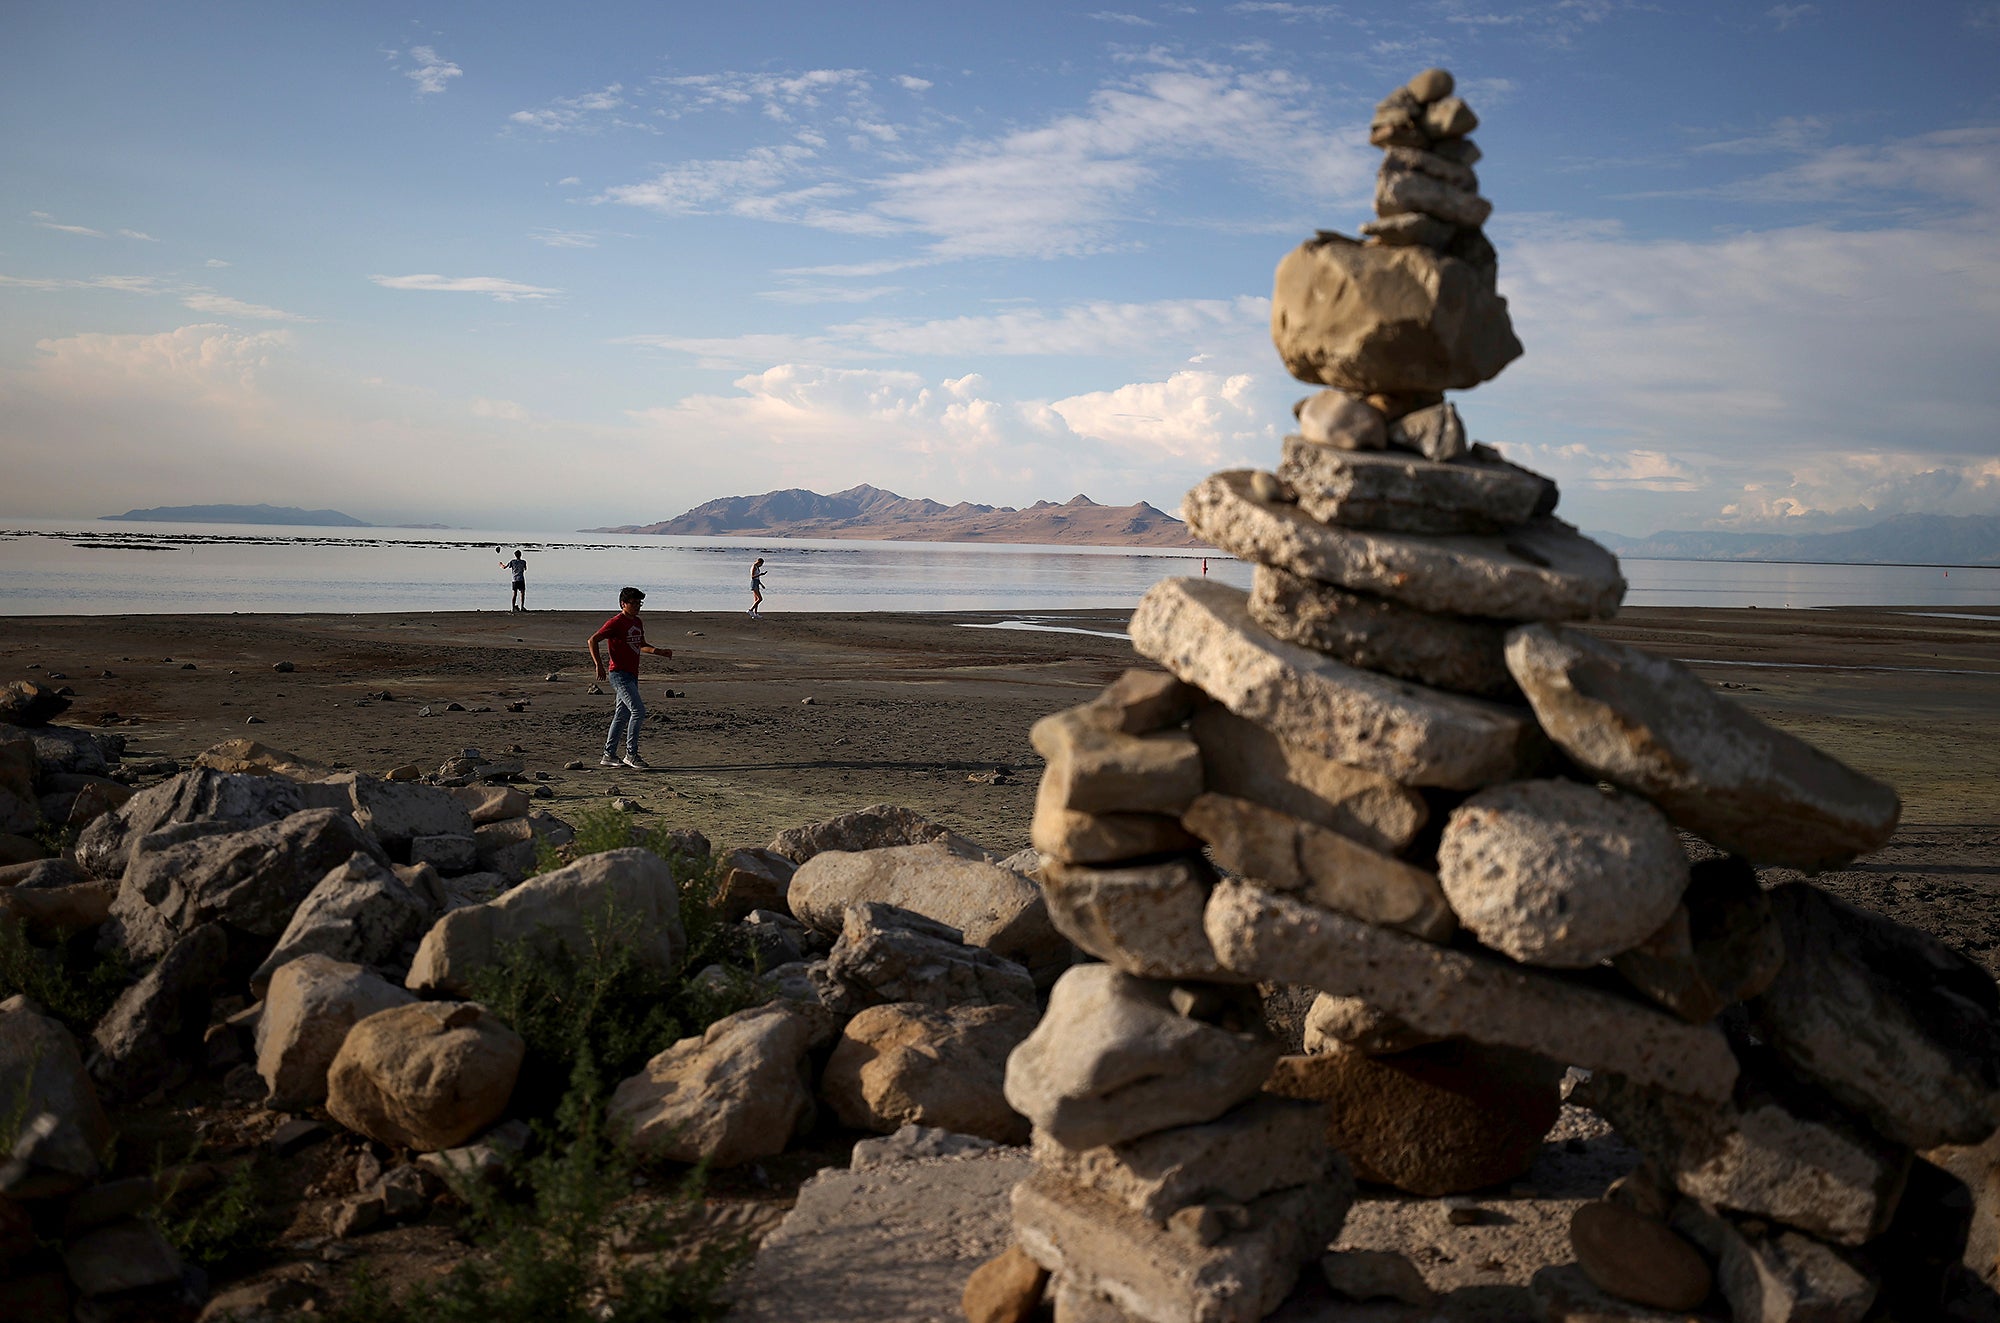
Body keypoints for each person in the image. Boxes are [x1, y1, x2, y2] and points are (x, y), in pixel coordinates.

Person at [587, 586, 672, 769]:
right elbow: (592, 640)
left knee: (622, 714)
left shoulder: (637, 622)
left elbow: (641, 645)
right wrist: (599, 665)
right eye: (633, 603)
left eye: (639, 603)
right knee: (638, 711)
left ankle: (608, 755)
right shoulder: (615, 622)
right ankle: (631, 754)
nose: (637, 606)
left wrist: (659, 652)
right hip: (618, 674)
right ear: (623, 604)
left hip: (632, 675)